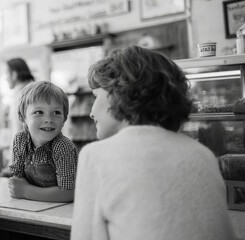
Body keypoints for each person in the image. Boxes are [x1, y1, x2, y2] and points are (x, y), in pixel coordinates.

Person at [71, 46, 234, 240]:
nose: (91, 112)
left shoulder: (95, 156)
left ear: (118, 94)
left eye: (96, 97)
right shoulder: (203, 154)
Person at [8, 81, 78, 202]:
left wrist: (25, 191)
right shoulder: (20, 140)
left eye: (56, 112)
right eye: (39, 112)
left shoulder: (63, 147)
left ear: (65, 118)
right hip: (29, 207)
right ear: (22, 117)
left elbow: (68, 193)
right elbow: (17, 180)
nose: (48, 119)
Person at [0, 58, 35, 177]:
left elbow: (19, 132)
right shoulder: (36, 90)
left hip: (27, 163)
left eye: (6, 73)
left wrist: (13, 163)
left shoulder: (21, 95)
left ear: (14, 74)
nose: (5, 77)